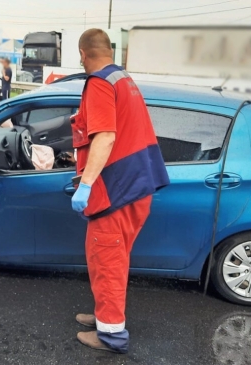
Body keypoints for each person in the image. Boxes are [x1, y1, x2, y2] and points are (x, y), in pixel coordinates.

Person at [70, 29, 169, 354]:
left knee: (107, 261)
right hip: (134, 187)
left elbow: (105, 137)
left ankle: (111, 336)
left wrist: (85, 186)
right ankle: (104, 317)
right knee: (109, 258)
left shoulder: (99, 83)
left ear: (83, 54)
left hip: (116, 193)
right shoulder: (122, 79)